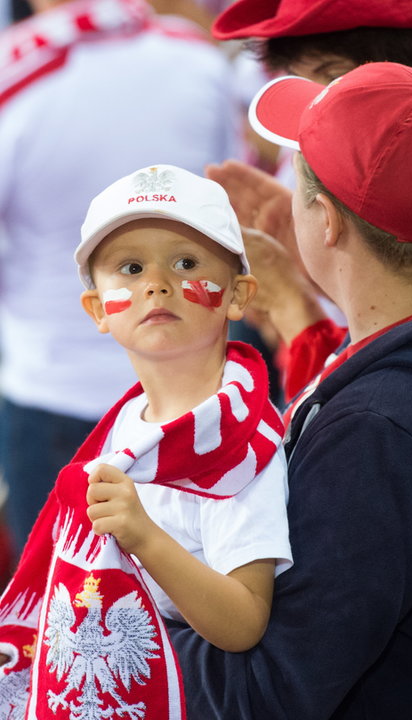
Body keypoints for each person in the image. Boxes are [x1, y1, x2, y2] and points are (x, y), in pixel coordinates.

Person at [164, 63, 412, 718]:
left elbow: (269, 691)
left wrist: (106, 636)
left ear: (323, 220)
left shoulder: (381, 433)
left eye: (293, 179)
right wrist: (297, 308)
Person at [0, 164, 292, 717]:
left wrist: (144, 536)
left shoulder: (239, 445)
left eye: (186, 263)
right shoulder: (127, 423)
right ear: (97, 311)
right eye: (130, 267)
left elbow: (245, 622)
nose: (156, 282)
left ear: (237, 295)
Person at [0, 0, 244, 558]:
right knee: (196, 622)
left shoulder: (14, 72)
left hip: (57, 390)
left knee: (59, 622)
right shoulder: (196, 59)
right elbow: (236, 222)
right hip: (198, 388)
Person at [206, 0, 412, 399]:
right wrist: (315, 282)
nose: (317, 104)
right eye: (298, 79)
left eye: (333, 75)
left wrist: (296, 297)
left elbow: (387, 400)